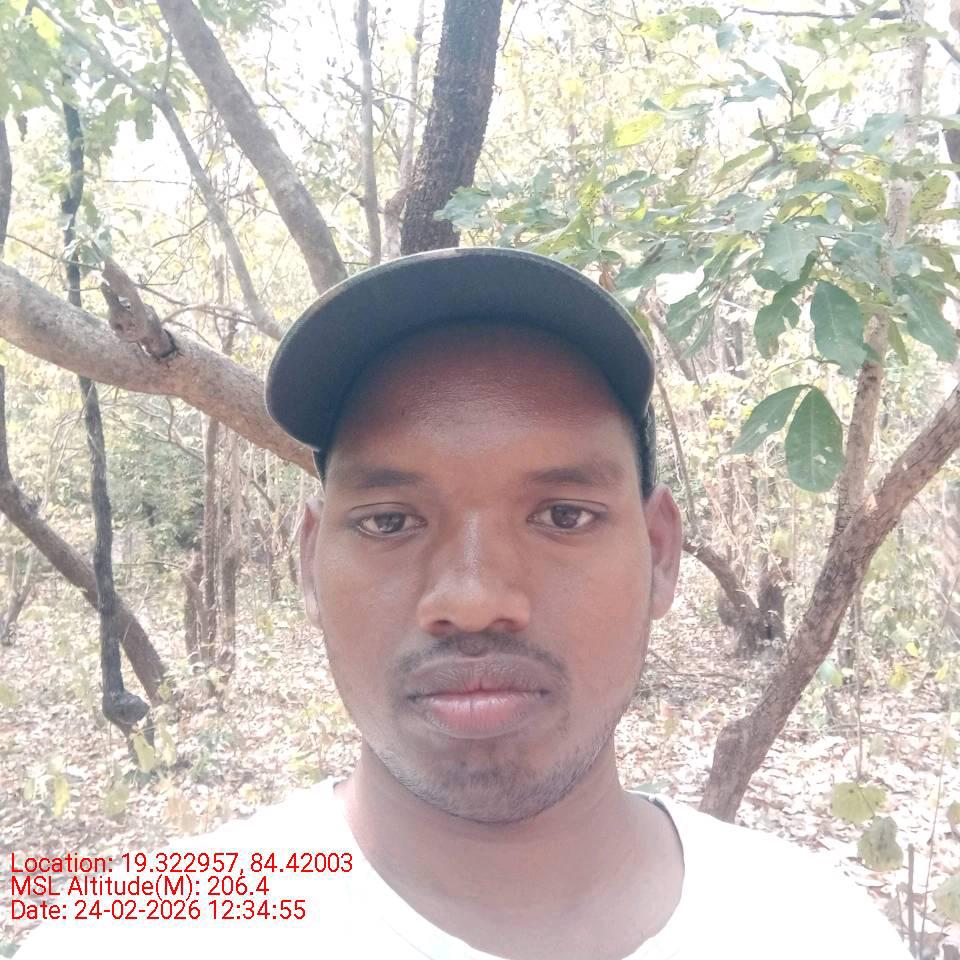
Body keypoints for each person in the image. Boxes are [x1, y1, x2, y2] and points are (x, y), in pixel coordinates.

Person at [14, 248, 910, 959]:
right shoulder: (131, 937)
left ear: (660, 555)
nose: (474, 600)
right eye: (390, 521)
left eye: (563, 515)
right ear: (310, 562)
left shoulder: (821, 931)